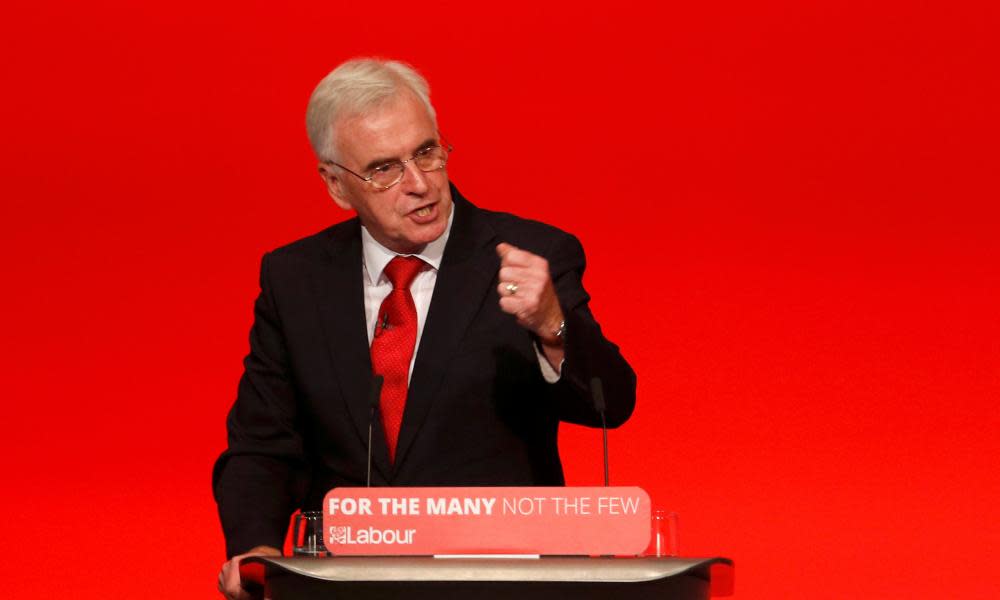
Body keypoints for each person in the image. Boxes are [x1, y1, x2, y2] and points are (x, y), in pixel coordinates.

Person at [214, 58, 636, 599]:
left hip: (499, 584)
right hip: (347, 584)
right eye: (384, 169)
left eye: (427, 152)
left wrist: (552, 325)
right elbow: (261, 444)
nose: (419, 184)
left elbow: (614, 403)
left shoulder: (531, 255)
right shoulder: (295, 279)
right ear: (337, 185)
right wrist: (258, 547)